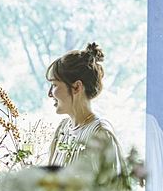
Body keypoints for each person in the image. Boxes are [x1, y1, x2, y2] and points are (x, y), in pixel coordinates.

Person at [47, 42, 123, 172]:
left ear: (77, 87)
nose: (50, 94)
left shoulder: (101, 133)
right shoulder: (62, 129)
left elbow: (112, 184)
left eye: (54, 85)